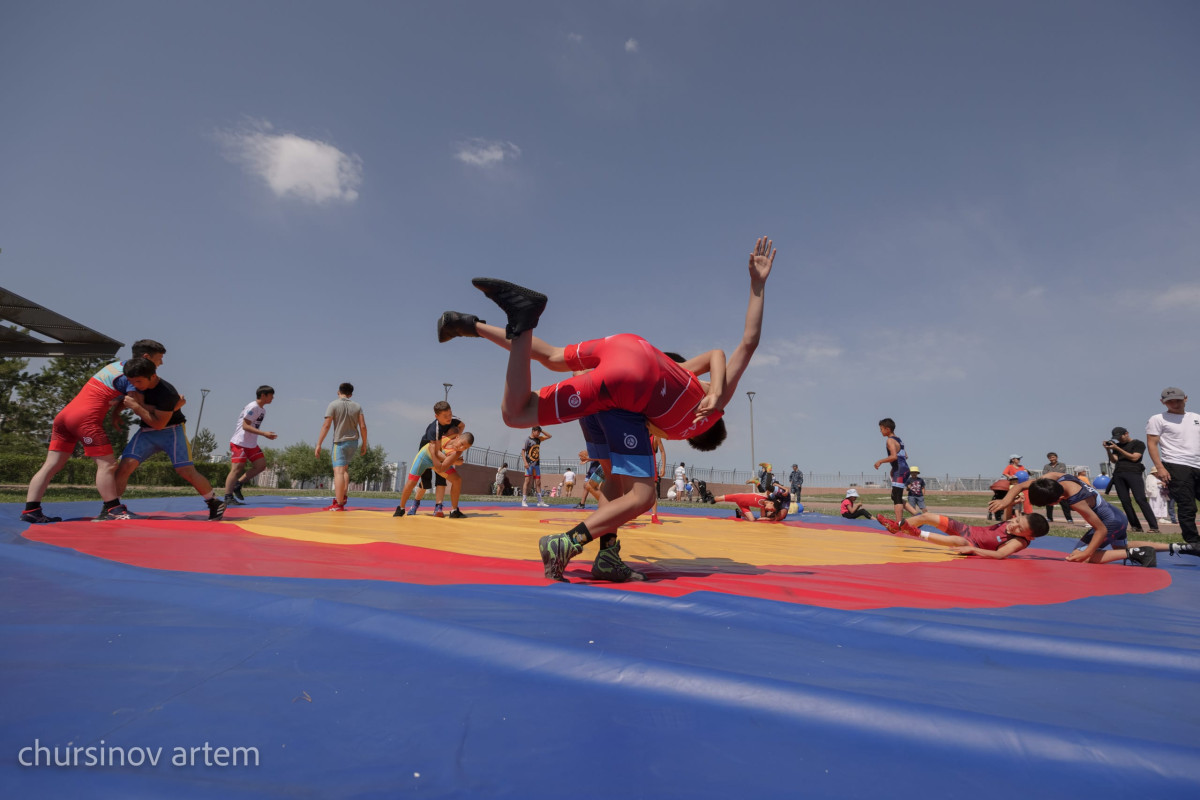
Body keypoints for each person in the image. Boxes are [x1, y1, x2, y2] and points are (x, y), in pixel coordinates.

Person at [437, 235, 775, 581]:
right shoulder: (697, 416)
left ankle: (480, 324)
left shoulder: (689, 385)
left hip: (628, 347)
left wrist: (756, 285)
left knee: (557, 372)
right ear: (700, 437)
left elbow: (733, 348)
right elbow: (738, 348)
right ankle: (567, 543)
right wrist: (718, 394)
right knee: (640, 494)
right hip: (627, 386)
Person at [22, 351, 159, 524]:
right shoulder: (131, 377)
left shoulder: (114, 367)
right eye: (159, 359)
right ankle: (113, 510)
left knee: (51, 464)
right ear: (146, 358)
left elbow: (119, 396)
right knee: (107, 465)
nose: (160, 363)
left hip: (64, 416)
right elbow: (134, 402)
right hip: (85, 419)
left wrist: (116, 411)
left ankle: (31, 510)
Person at [114, 341, 225, 521]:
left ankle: (214, 502)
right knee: (124, 466)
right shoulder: (135, 380)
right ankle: (115, 507)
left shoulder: (167, 393)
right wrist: (117, 412)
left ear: (151, 377)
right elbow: (132, 402)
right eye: (131, 382)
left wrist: (136, 406)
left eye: (138, 382)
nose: (134, 385)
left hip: (170, 431)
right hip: (147, 431)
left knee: (185, 470)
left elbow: (158, 423)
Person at [990, 473, 1164, 565]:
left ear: (1058, 500)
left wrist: (1086, 553)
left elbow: (1101, 529)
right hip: (1116, 515)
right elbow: (1021, 485)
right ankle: (1177, 546)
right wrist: (1005, 501)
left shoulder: (1077, 502)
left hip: (1110, 522)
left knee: (1081, 556)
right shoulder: (1054, 478)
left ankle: (1135, 553)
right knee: (1119, 546)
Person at [1146, 387, 1200, 548]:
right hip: (1176, 465)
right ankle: (1193, 541)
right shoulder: (1158, 419)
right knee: (1187, 505)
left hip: (1197, 464)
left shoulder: (1196, 418)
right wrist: (1160, 467)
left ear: (1185, 398)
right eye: (1170, 401)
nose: (1174, 404)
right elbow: (1152, 443)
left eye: (1178, 400)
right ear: (1163, 402)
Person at [879, 511, 1049, 560]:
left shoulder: (1019, 541)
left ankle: (917, 532)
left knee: (956, 541)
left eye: (1019, 528)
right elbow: (1012, 512)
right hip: (967, 529)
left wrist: (973, 550)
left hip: (971, 542)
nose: (1014, 525)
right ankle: (896, 527)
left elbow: (1000, 554)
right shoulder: (1016, 522)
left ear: (1029, 537)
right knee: (927, 516)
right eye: (1017, 520)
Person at [393, 431, 474, 517]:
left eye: (465, 448)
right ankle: (401, 508)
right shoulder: (449, 435)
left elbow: (444, 465)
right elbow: (435, 451)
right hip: (424, 457)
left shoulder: (457, 453)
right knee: (412, 482)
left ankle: (454, 511)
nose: (461, 448)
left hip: (438, 464)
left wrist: (452, 460)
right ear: (457, 437)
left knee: (457, 480)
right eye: (461, 444)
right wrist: (453, 460)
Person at [315, 383, 368, 512]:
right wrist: (364, 443)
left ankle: (338, 504)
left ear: (339, 392)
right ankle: (341, 499)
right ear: (351, 394)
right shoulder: (357, 406)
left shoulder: (333, 404)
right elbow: (363, 426)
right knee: (344, 470)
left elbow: (326, 425)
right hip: (353, 442)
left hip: (339, 442)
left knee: (338, 471)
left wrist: (319, 444)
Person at [223, 386, 277, 506]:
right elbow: (245, 426)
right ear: (263, 395)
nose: (273, 398)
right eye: (271, 395)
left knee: (261, 465)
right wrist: (264, 434)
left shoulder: (262, 410)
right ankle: (228, 496)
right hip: (240, 442)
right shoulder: (253, 406)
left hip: (251, 443)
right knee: (237, 469)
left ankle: (238, 484)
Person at [412, 401, 463, 517]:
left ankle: (438, 506)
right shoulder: (434, 430)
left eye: (450, 415)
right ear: (437, 417)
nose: (448, 418)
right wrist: (453, 461)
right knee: (425, 482)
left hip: (441, 450)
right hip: (428, 451)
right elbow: (434, 452)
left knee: (441, 478)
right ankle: (415, 503)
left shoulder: (453, 421)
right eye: (445, 416)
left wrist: (458, 437)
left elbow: (462, 425)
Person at [1104, 426, 1159, 533]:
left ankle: (1154, 527)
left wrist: (1117, 448)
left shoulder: (1138, 444)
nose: (1119, 439)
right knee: (1125, 501)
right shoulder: (1118, 445)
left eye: (1120, 437)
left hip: (1133, 473)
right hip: (1119, 473)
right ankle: (1136, 526)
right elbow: (1114, 460)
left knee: (1140, 499)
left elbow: (1135, 457)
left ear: (1126, 433)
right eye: (1117, 438)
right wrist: (1109, 450)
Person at [873, 418, 910, 526]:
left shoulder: (890, 440)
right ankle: (915, 513)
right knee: (895, 496)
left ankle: (899, 523)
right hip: (903, 469)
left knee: (897, 498)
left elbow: (893, 456)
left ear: (887, 429)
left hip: (900, 470)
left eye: (881, 429)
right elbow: (905, 456)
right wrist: (894, 468)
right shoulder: (899, 439)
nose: (880, 431)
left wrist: (880, 461)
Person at [715, 484, 790, 521]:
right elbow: (773, 485)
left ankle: (740, 513)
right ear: (771, 503)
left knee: (754, 519)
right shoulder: (769, 497)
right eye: (771, 510)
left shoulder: (769, 504)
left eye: (771, 511)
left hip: (780, 502)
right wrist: (786, 489)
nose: (770, 511)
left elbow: (763, 517)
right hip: (741, 498)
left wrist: (765, 518)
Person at [521, 425, 552, 508]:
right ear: (533, 431)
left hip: (537, 465)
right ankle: (524, 500)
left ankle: (540, 501)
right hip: (529, 464)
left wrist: (542, 431)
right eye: (537, 432)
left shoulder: (539, 439)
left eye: (539, 432)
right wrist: (525, 462)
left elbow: (549, 436)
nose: (538, 434)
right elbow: (523, 452)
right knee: (527, 481)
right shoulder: (527, 440)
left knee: (538, 482)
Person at [1041, 452, 1074, 523]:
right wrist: (1053, 475)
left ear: (1056, 457)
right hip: (1050, 486)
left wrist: (1051, 474)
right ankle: (1049, 518)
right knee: (1049, 503)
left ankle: (1069, 518)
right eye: (1050, 457)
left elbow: (1061, 473)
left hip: (1060, 486)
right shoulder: (1046, 466)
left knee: (1064, 503)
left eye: (1053, 457)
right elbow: (1045, 474)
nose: (1052, 459)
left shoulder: (1062, 465)